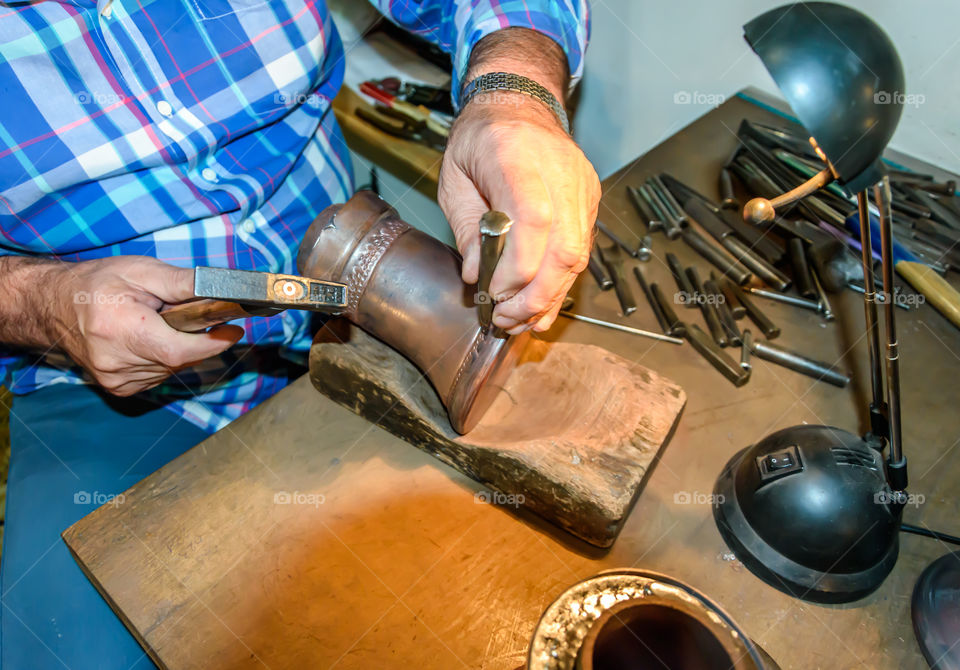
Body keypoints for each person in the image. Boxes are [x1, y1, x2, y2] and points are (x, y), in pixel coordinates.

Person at [0, 1, 599, 666]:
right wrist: (42, 302)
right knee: (66, 643)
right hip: (110, 383)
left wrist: (514, 91)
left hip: (360, 315)